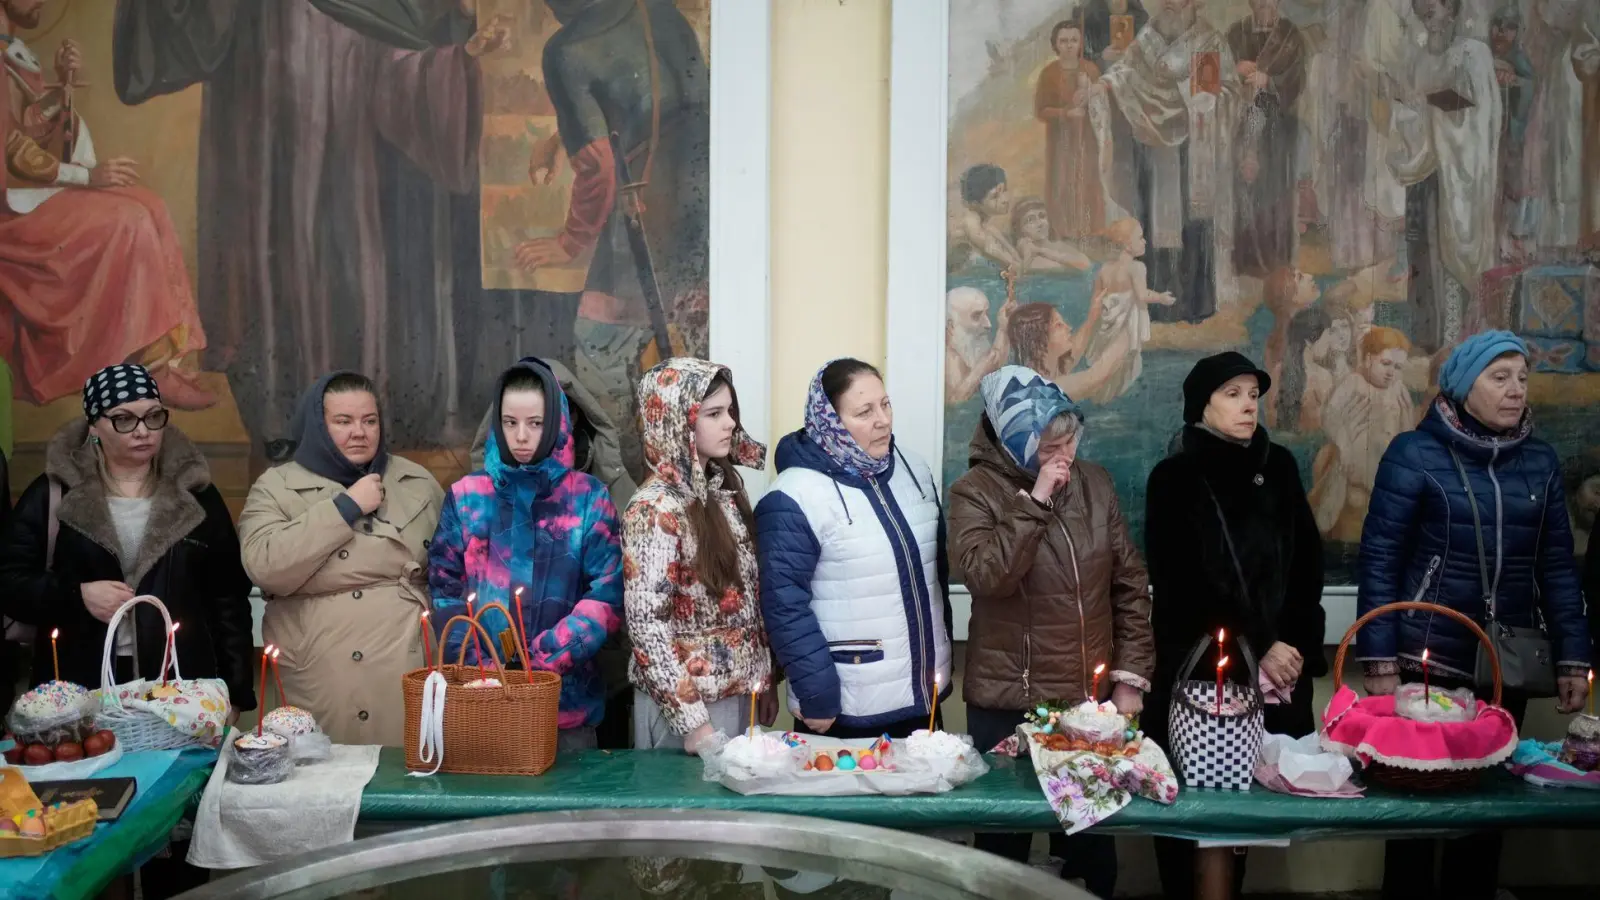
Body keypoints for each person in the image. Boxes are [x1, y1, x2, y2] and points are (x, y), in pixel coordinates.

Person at [0, 364, 253, 898]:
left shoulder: (196, 495)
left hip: (180, 689)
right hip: (84, 689)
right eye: (124, 419)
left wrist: (235, 691)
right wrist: (75, 597)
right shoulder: (52, 494)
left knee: (177, 838)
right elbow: (9, 580)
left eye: (153, 417)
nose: (143, 431)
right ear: (94, 425)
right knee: (89, 839)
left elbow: (226, 597)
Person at [1358, 330, 1591, 900]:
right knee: (1415, 810)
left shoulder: (1539, 461)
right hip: (1424, 660)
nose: (1515, 391)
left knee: (1486, 808)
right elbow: (1381, 557)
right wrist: (1380, 656)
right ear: (1463, 386)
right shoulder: (1414, 453)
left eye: (1522, 377)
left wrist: (1572, 657)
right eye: (1499, 377)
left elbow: (1558, 568)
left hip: (1502, 663)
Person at [949, 365, 1154, 897]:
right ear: (1016, 441)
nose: (1064, 459)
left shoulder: (1096, 483)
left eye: (1070, 443)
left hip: (1085, 704)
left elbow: (1129, 585)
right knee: (1002, 855)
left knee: (1091, 857)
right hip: (1006, 703)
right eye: (1048, 447)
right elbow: (986, 576)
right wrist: (1036, 501)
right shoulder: (973, 492)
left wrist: (1130, 677)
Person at [1143, 352, 1326, 898]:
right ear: (1202, 405)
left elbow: (1307, 563)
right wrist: (1261, 644)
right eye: (1232, 394)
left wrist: (1293, 644)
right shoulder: (1173, 478)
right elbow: (1182, 583)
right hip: (1202, 671)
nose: (1248, 405)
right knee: (1191, 800)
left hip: (1279, 670)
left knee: (1250, 807)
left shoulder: (1283, 466)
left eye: (1253, 394)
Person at [0, 0, 214, 411]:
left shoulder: (12, 49)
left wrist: (63, 85)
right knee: (128, 219)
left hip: (26, 196)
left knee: (149, 204)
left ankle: (169, 357)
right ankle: (149, 368)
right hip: (8, 214)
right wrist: (87, 177)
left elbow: (27, 126)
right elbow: (13, 151)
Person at [238, 371, 443, 746]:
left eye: (369, 421)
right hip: (321, 667)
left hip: (406, 658)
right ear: (318, 426)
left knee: (410, 778)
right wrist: (344, 508)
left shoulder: (417, 482)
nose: (359, 432)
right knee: (324, 785)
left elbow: (450, 568)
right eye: (343, 422)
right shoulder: (276, 486)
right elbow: (264, 565)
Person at [429, 360, 624, 751]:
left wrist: (545, 659)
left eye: (535, 423)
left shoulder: (587, 498)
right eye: (510, 422)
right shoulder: (468, 496)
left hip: (565, 705)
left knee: (565, 811)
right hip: (482, 699)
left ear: (555, 423)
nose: (521, 436)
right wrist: (483, 663)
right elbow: (444, 588)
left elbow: (607, 593)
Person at [756, 359, 952, 740]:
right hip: (844, 707)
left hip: (920, 698)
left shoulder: (914, 468)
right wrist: (817, 694)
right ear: (829, 421)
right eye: (864, 411)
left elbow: (935, 575)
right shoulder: (793, 494)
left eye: (885, 404)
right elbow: (783, 603)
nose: (883, 420)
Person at [624, 358, 773, 753]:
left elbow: (744, 602)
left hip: (735, 698)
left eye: (730, 412)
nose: (730, 424)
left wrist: (763, 680)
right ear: (677, 420)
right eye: (714, 414)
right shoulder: (655, 509)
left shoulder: (720, 491)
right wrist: (693, 724)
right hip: (689, 714)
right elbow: (646, 627)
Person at [1035, 21, 1107, 240]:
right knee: (1062, 183)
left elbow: (1103, 104)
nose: (1068, 45)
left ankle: (1091, 232)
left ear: (1080, 43)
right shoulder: (1048, 74)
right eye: (1063, 41)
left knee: (1088, 182)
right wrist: (1065, 113)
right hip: (1061, 142)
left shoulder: (1091, 70)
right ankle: (1062, 233)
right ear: (1056, 44)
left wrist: (1094, 98)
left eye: (1073, 40)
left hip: (1087, 139)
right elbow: (1041, 110)